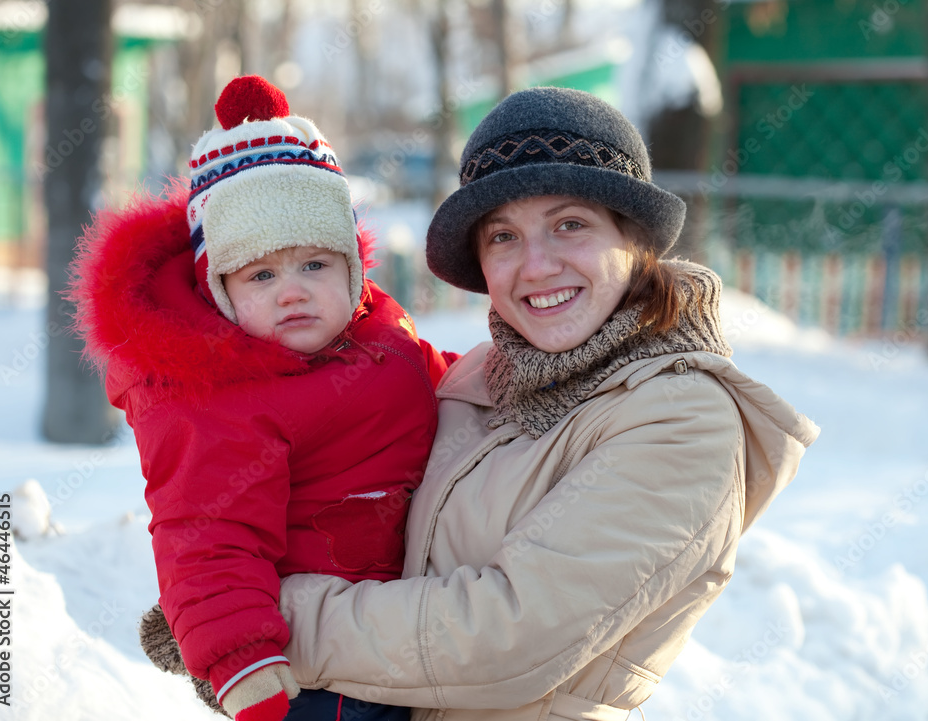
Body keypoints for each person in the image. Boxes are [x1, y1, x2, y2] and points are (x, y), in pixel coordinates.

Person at [275, 86, 820, 721]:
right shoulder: (478, 378)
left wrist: (269, 627)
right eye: (503, 236)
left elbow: (505, 638)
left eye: (570, 225)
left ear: (635, 240)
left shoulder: (684, 419)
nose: (536, 265)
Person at [69, 76, 455, 721]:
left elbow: (440, 380)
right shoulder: (216, 400)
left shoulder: (381, 330)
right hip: (314, 661)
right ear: (219, 291)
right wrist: (240, 657)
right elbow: (207, 534)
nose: (293, 292)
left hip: (403, 623)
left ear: (354, 269)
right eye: (262, 275)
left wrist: (509, 376)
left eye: (315, 265)